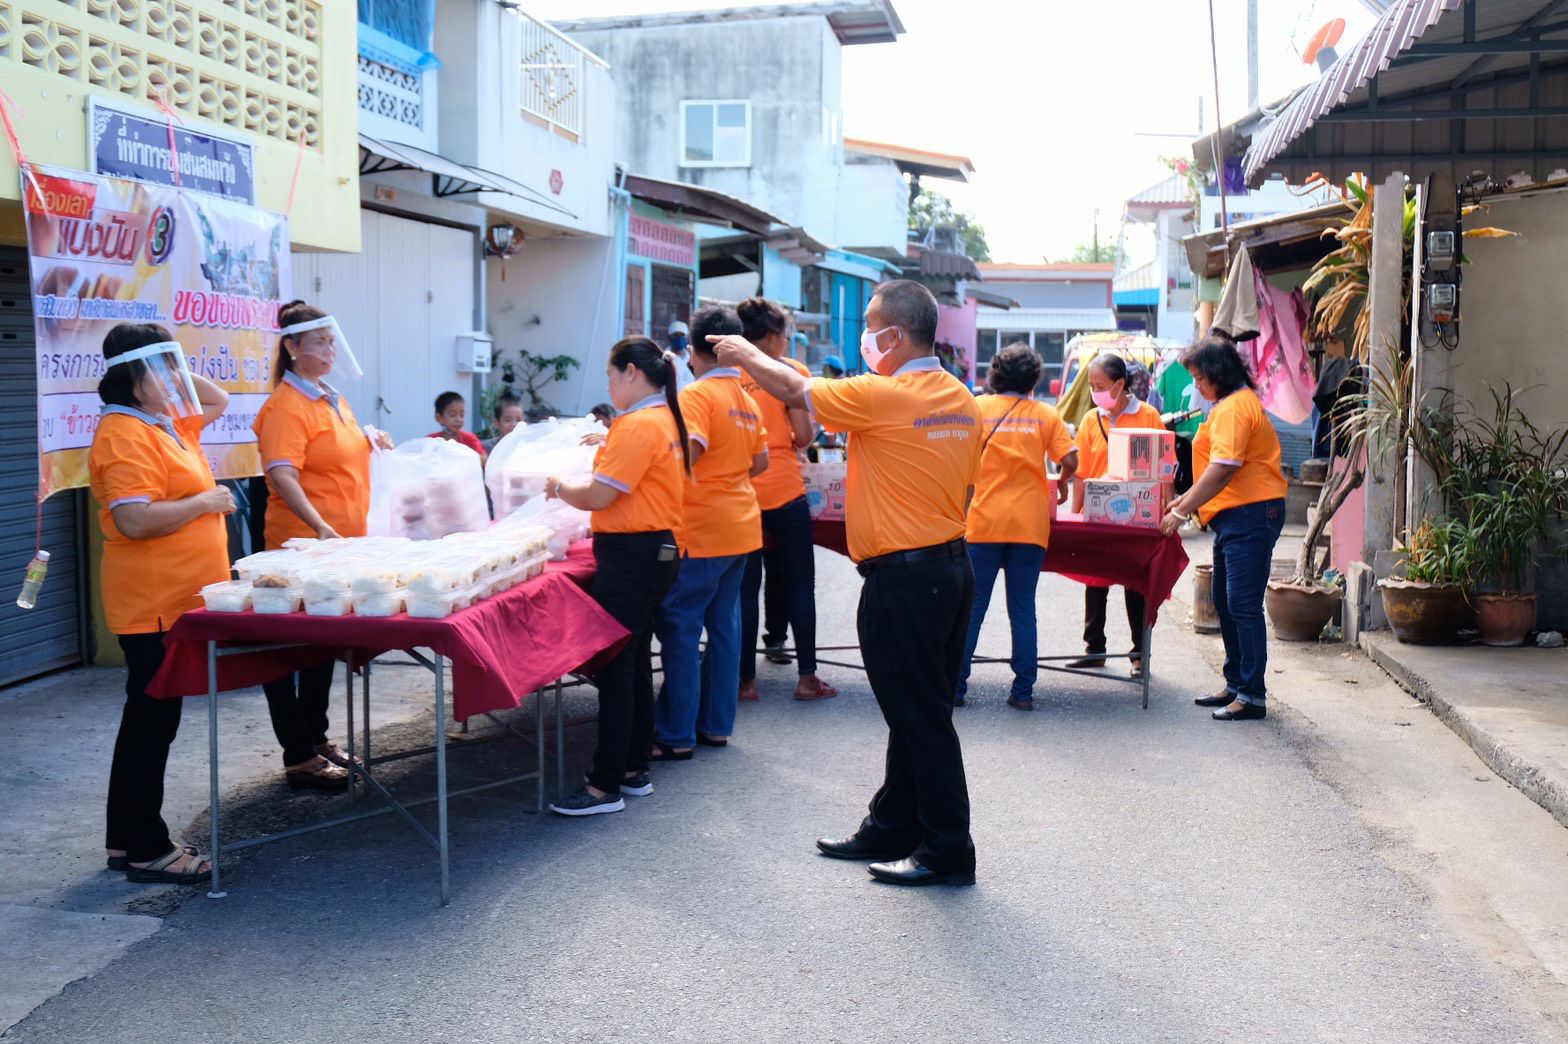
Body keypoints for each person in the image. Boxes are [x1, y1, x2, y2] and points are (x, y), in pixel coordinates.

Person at [713, 279, 981, 888]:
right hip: (947, 569)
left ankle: (948, 848)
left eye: (868, 322)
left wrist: (743, 351)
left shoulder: (887, 394)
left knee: (921, 719)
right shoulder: (960, 400)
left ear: (893, 334)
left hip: (906, 581)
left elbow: (792, 389)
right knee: (916, 711)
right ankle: (892, 825)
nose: (864, 334)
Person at [89, 323, 232, 884]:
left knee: (148, 722)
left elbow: (216, 398)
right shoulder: (125, 433)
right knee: (151, 724)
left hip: (175, 600)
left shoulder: (162, 422)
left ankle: (125, 840)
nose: (178, 380)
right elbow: (133, 519)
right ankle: (147, 847)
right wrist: (204, 502)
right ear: (132, 379)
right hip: (153, 602)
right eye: (166, 369)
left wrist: (164, 360)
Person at [542, 338, 691, 816]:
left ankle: (603, 786)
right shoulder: (664, 417)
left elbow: (599, 497)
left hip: (633, 555)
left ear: (630, 372)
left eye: (610, 375)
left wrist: (558, 487)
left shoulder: (639, 424)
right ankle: (630, 770)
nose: (608, 385)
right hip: (657, 550)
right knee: (633, 661)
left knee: (617, 667)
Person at [254, 301, 389, 790]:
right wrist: (318, 526)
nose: (330, 350)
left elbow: (337, 456)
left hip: (340, 546)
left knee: (321, 647)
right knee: (287, 651)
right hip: (300, 546)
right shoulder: (285, 407)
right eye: (319, 342)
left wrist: (373, 440)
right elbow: (282, 473)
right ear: (291, 348)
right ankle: (297, 754)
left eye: (333, 341)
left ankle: (315, 737)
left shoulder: (331, 398)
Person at [651, 306, 768, 758]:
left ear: (698, 351)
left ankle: (676, 733)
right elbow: (760, 463)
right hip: (741, 526)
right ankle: (716, 726)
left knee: (680, 626)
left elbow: (690, 451)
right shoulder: (747, 399)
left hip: (701, 529)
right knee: (724, 627)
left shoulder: (697, 396)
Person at [1160, 333, 1288, 721]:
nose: (1196, 386)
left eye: (1200, 379)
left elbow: (1224, 467)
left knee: (1242, 602)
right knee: (1225, 597)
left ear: (1218, 373)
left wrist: (1182, 512)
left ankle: (1252, 695)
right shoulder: (1226, 405)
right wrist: (1184, 502)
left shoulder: (1234, 407)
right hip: (1234, 513)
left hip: (1250, 511)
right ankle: (1236, 682)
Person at [956, 342, 1078, 711]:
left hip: (983, 522)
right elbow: (1070, 458)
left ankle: (955, 688)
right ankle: (1023, 691)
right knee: (1023, 609)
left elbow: (958, 459)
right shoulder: (1045, 414)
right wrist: (1063, 482)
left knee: (972, 608)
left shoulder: (976, 408)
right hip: (1028, 524)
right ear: (1033, 378)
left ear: (995, 374)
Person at [734, 296, 836, 703]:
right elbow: (804, 437)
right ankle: (807, 678)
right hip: (785, 489)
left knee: (745, 589)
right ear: (775, 336)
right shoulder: (791, 372)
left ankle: (745, 682)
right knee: (799, 586)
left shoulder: (726, 376)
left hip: (741, 492)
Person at [1069, 353, 1165, 678]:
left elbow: (1164, 467)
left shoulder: (1149, 416)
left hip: (1136, 516)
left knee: (1135, 584)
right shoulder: (1088, 420)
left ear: (1120, 384)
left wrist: (1167, 511)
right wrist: (1074, 514)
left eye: (1100, 386)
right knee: (1094, 581)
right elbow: (1081, 472)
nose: (1094, 392)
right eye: (1091, 385)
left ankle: (1139, 654)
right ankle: (1094, 648)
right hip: (1098, 514)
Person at [431, 390, 487, 461]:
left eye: (461, 415)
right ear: (439, 418)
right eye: (452, 415)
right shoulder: (431, 441)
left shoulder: (470, 439)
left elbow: (484, 460)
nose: (458, 419)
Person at [666, 319, 697, 390]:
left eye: (682, 335)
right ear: (669, 338)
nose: (679, 338)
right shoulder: (666, 358)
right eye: (676, 335)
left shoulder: (693, 357)